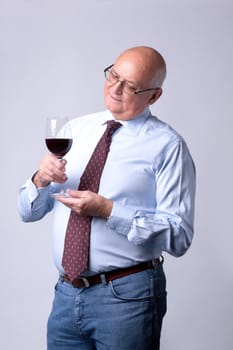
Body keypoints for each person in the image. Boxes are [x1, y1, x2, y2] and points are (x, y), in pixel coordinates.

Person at [18, 46, 196, 350]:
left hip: (128, 297)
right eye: (113, 75)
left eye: (130, 85)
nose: (115, 88)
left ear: (154, 96)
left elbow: (179, 237)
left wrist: (109, 210)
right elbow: (28, 212)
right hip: (66, 294)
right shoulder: (75, 130)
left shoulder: (168, 147)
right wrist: (40, 179)